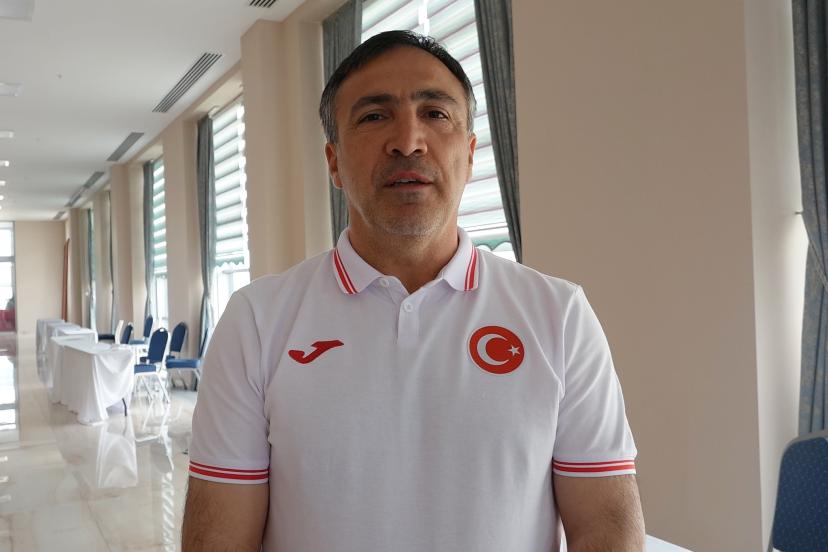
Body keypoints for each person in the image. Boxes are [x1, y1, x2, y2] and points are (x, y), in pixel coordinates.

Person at [182, 30, 645, 551]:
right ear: (333, 162)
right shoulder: (257, 321)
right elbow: (219, 540)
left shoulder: (558, 315)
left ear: (470, 154)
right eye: (374, 116)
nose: (408, 141)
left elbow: (606, 525)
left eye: (435, 113)